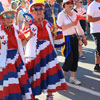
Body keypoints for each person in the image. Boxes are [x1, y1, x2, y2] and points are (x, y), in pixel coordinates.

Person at [21, 1, 68, 100]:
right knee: (32, 75)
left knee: (50, 73)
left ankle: (50, 95)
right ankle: (31, 96)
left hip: (49, 53)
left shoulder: (48, 24)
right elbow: (22, 42)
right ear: (31, 12)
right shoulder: (28, 24)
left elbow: (52, 37)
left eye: (41, 9)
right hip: (34, 53)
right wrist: (27, 32)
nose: (39, 12)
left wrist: (56, 34)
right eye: (35, 9)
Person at [0, 4, 34, 100]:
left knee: (20, 82)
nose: (10, 19)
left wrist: (28, 38)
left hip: (17, 59)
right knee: (10, 83)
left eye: (12, 16)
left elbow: (21, 44)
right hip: (5, 61)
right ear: (2, 18)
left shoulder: (16, 29)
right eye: (7, 16)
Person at [57, 0, 87, 85]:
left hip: (74, 37)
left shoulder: (74, 13)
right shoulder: (61, 14)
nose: (70, 5)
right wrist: (72, 24)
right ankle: (61, 77)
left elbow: (78, 26)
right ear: (64, 5)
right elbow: (60, 28)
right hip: (66, 38)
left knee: (75, 58)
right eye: (68, 3)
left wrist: (83, 37)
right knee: (69, 58)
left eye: (71, 3)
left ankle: (72, 78)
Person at [87, 0, 100, 72]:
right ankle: (97, 65)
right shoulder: (92, 5)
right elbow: (88, 19)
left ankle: (97, 66)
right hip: (96, 30)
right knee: (99, 48)